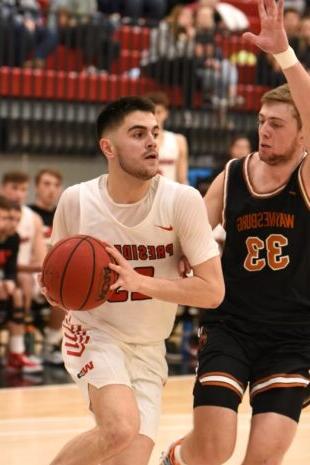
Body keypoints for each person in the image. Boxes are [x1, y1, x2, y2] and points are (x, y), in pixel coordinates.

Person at [161, 1, 310, 464]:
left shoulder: (306, 177)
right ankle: (174, 459)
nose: (264, 132)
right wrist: (183, 252)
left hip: (293, 336)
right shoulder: (233, 174)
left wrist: (285, 53)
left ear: (304, 136)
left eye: (277, 125)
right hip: (231, 326)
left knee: (261, 459)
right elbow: (192, 231)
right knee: (212, 451)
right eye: (261, 122)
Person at [41, 95, 224, 465]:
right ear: (108, 147)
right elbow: (56, 288)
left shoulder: (182, 200)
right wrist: (56, 295)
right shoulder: (76, 201)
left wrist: (138, 282)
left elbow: (213, 291)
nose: (153, 142)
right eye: (138, 134)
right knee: (120, 428)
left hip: (150, 345)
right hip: (94, 332)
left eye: (155, 132)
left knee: (129, 458)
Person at [28, 168, 64, 365]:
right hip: (29, 273)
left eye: (56, 185)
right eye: (46, 184)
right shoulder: (26, 214)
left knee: (67, 289)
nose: (51, 189)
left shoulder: (63, 214)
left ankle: (51, 345)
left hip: (54, 273)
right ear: (36, 187)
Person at [146, 91, 189, 183]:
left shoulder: (178, 140)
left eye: (159, 112)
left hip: (171, 195)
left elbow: (182, 178)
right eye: (152, 112)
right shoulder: (139, 142)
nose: (155, 116)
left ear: (166, 113)